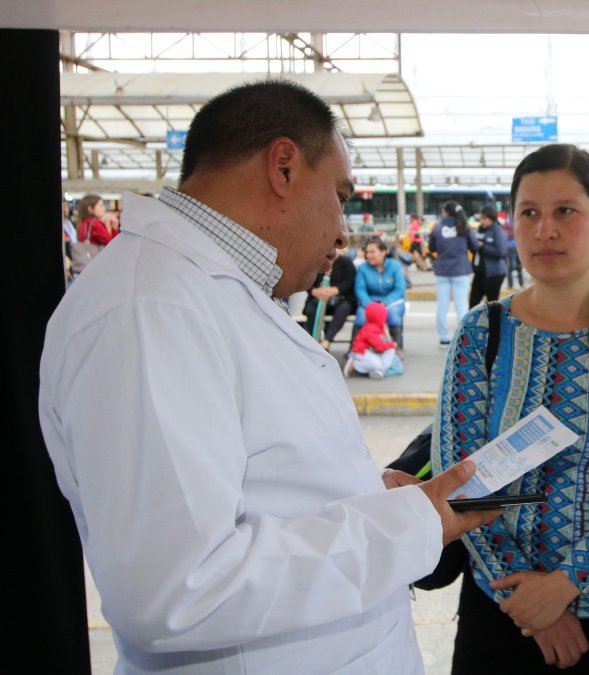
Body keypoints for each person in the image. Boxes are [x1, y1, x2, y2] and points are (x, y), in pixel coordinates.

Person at [37, 80, 497, 674]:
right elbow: (177, 587)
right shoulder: (149, 311)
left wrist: (364, 493)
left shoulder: (207, 292)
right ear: (283, 167)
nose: (341, 231)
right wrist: (407, 525)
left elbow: (267, 485)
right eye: (339, 195)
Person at [434, 143, 589, 674]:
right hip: (501, 610)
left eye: (565, 211)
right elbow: (458, 482)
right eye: (530, 213)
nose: (545, 230)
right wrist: (535, 609)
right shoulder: (483, 331)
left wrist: (564, 586)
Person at [427, 200, 478, 347]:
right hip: (461, 270)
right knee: (461, 305)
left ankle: (443, 338)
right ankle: (463, 338)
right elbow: (474, 246)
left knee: (442, 305)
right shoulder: (464, 226)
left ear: (446, 211)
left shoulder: (437, 227)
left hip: (442, 270)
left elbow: (431, 247)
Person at [353, 235, 406, 350]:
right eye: (367, 252)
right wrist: (370, 305)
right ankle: (355, 350)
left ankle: (397, 349)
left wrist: (384, 303)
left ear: (384, 252)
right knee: (361, 315)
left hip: (392, 302)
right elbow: (360, 289)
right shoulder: (363, 268)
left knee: (393, 315)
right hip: (370, 302)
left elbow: (399, 288)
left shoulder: (395, 266)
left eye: (373, 252)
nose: (369, 255)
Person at [301, 242, 357, 350]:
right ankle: (314, 340)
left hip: (339, 300)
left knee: (344, 308)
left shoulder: (346, 262)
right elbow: (307, 281)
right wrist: (315, 292)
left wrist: (333, 291)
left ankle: (327, 340)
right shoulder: (317, 261)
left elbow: (350, 281)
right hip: (319, 299)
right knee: (311, 309)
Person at [346, 301, 402, 379]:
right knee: (376, 364)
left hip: (372, 351)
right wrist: (392, 344)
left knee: (389, 352)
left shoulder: (380, 327)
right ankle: (355, 365)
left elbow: (383, 342)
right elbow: (378, 346)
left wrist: (391, 347)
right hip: (361, 351)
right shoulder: (370, 329)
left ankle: (378, 371)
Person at [469, 204, 508, 306]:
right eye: (481, 218)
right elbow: (474, 248)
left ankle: (493, 322)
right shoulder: (478, 230)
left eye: (484, 219)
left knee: (492, 305)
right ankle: (473, 322)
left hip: (494, 273)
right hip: (479, 273)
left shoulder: (498, 231)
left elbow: (501, 252)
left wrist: (483, 246)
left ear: (492, 219)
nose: (482, 221)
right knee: (473, 304)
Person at [501, 210, 525, 289]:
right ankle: (515, 284)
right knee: (515, 267)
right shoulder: (509, 223)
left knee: (516, 267)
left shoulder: (510, 222)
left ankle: (516, 284)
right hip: (513, 247)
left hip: (515, 247)